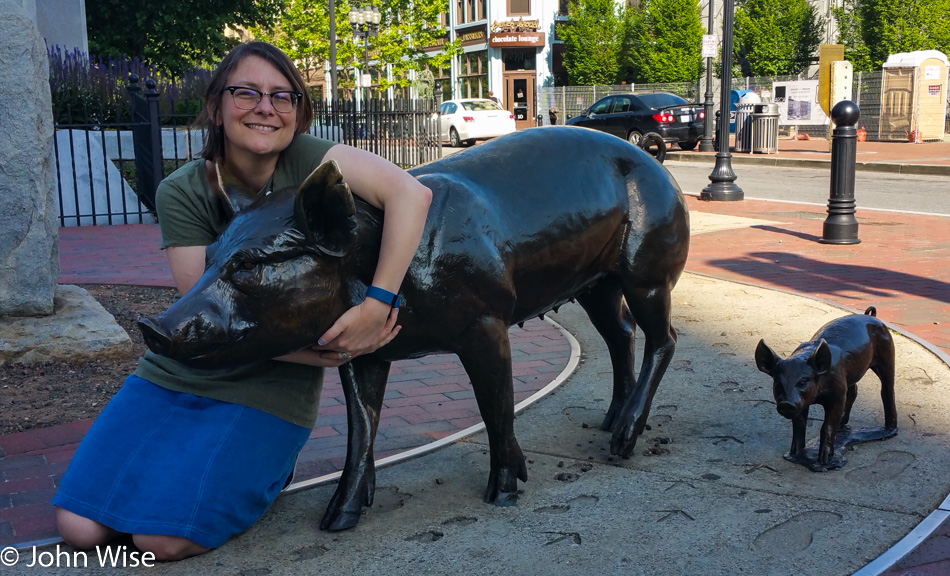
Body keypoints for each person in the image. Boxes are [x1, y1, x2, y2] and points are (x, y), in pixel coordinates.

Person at [52, 41, 432, 561]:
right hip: (180, 368)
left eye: (283, 96)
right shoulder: (183, 191)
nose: (265, 107)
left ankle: (265, 473)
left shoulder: (314, 160)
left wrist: (375, 305)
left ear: (299, 111)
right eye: (246, 92)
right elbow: (203, 316)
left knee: (158, 541)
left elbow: (412, 194)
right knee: (79, 529)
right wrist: (332, 351)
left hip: (269, 384)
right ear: (215, 104)